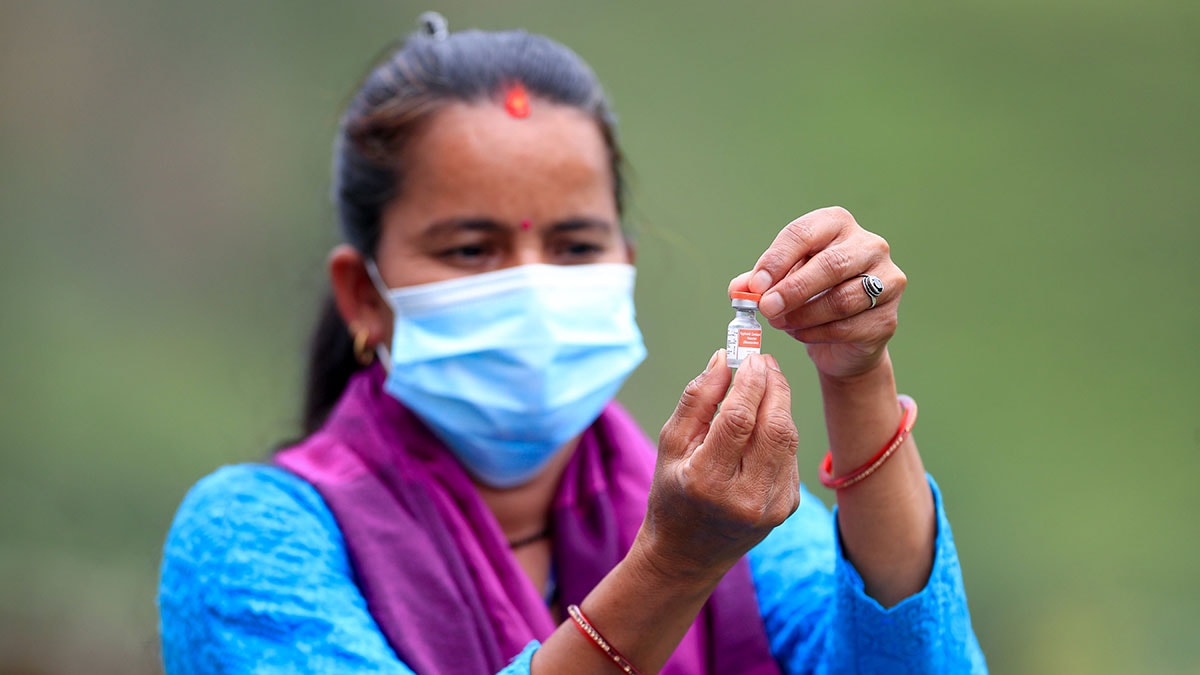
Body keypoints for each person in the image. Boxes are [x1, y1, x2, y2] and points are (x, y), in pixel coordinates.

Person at [158, 13, 986, 674]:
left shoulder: (741, 528)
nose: (534, 286)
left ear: (622, 266)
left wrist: (858, 372)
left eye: (575, 248)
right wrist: (667, 571)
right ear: (364, 296)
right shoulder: (251, 542)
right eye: (470, 250)